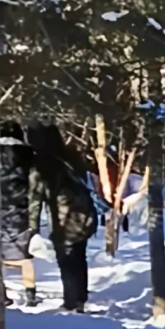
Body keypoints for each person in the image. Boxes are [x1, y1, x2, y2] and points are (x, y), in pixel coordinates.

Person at [26, 124, 99, 312]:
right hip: (84, 213)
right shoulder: (72, 156)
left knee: (67, 262)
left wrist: (32, 227)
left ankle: (72, 302)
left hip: (63, 219)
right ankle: (80, 298)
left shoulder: (41, 164)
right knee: (79, 257)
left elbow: (35, 198)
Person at [0, 122, 37, 307]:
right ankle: (30, 295)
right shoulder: (28, 154)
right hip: (20, 209)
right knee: (24, 256)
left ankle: (0, 293)